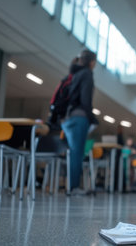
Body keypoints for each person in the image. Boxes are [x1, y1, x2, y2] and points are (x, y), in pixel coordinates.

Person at [61, 49, 98, 195]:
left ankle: (70, 185)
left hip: (68, 119)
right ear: (92, 62)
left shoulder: (74, 73)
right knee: (77, 154)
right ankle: (73, 187)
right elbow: (85, 100)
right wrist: (93, 118)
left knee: (72, 153)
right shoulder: (87, 74)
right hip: (79, 118)